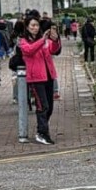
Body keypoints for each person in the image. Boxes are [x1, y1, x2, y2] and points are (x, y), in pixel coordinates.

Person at [18, 16, 61, 145]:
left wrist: (55, 39)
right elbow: (29, 51)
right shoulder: (23, 41)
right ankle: (42, 133)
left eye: (36, 25)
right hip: (36, 78)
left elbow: (53, 50)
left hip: (48, 76)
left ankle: (42, 130)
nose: (35, 28)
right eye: (32, 25)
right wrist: (43, 40)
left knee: (50, 107)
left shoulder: (43, 40)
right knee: (43, 106)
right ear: (27, 27)